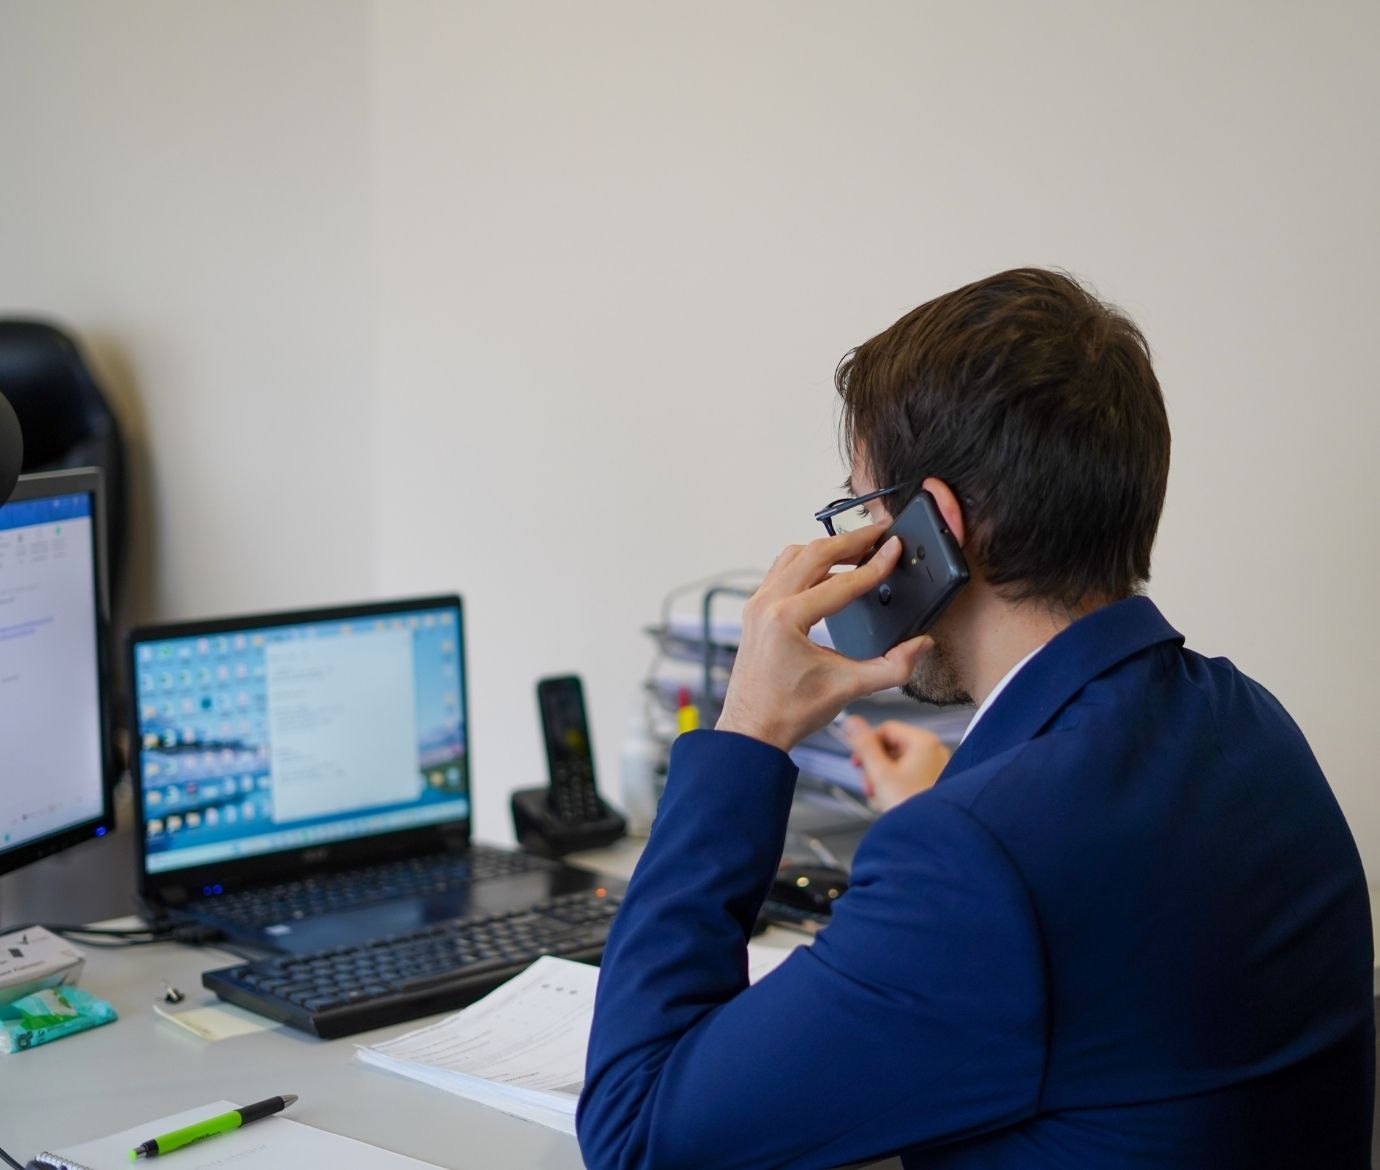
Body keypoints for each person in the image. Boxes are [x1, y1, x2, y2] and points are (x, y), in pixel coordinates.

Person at [576, 269, 1374, 1169]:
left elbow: (638, 1138)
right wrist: (957, 804)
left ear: (934, 528)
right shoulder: (1245, 721)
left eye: (864, 507)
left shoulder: (979, 855)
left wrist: (747, 734)